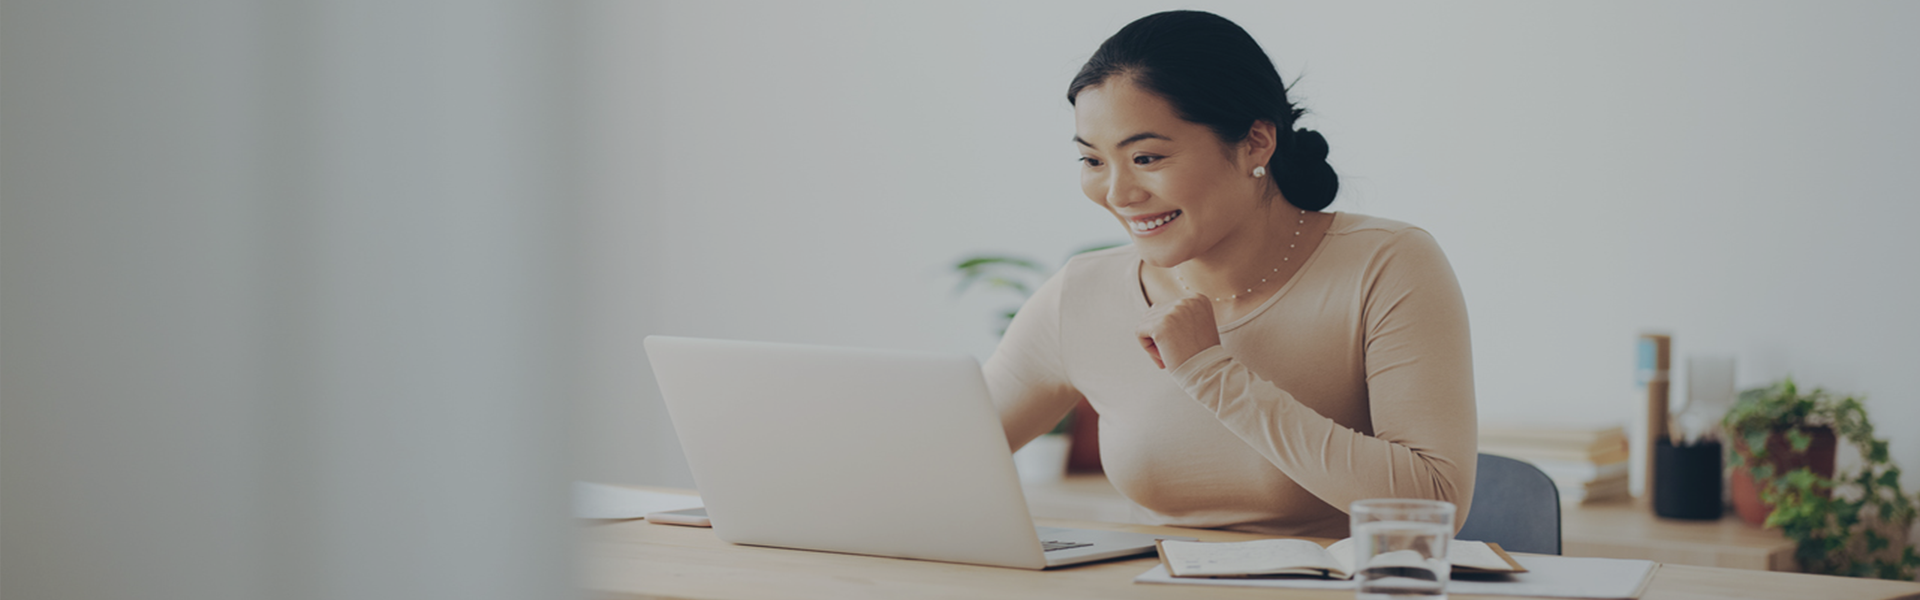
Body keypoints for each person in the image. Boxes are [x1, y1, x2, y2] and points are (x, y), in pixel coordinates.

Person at [984, 10, 1476, 538]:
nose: (1118, 194)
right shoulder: (1081, 294)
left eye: (1147, 157)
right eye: (1093, 161)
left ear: (1256, 143)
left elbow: (1433, 500)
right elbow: (937, 457)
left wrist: (1209, 371)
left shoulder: (1387, 264)